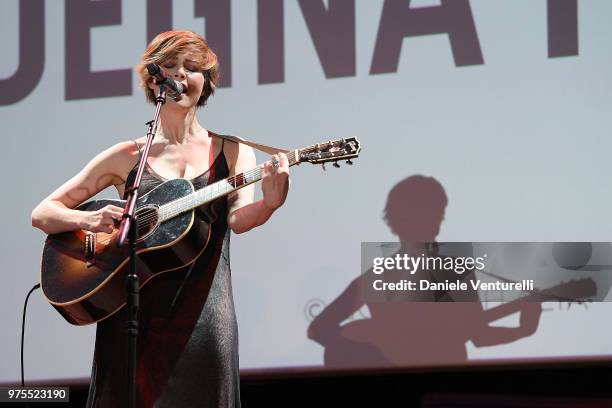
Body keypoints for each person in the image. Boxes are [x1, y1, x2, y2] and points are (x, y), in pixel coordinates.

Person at [31, 30, 289, 407]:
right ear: (154, 80)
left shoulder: (233, 152)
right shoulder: (126, 155)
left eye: (192, 68)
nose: (180, 75)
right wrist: (88, 221)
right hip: (133, 315)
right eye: (169, 67)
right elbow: (43, 213)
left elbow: (238, 219)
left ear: (208, 80)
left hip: (205, 316)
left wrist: (270, 202)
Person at [308, 175, 541, 368]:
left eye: (436, 215)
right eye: (423, 215)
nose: (432, 222)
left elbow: (478, 335)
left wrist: (523, 329)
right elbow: (318, 330)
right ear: (397, 221)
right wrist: (374, 343)